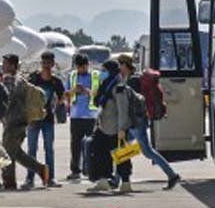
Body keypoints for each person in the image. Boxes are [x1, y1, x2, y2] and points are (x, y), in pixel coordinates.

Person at [118, 55, 180, 190]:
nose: (119, 68)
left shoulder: (132, 81)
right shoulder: (134, 78)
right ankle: (117, 179)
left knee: (145, 151)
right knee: (131, 148)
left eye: (120, 65)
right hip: (138, 121)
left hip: (136, 121)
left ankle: (172, 175)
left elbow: (132, 103)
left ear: (124, 65)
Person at [0, 54, 49, 190]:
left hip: (13, 121)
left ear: (12, 66)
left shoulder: (9, 79)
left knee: (7, 153)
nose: (3, 66)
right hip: (20, 120)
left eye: (5, 64)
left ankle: (9, 182)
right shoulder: (21, 79)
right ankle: (40, 169)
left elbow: (6, 97)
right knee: (15, 152)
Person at [87, 60, 132, 194]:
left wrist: (122, 128)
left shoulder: (118, 87)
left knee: (121, 156)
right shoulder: (105, 86)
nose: (102, 73)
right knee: (98, 152)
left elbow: (123, 109)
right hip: (104, 127)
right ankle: (103, 180)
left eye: (104, 70)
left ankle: (125, 183)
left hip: (116, 128)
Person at [23, 51, 65, 190]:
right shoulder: (34, 79)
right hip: (34, 119)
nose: (46, 66)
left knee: (49, 149)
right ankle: (30, 179)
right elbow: (26, 95)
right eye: (44, 63)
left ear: (53, 64)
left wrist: (55, 106)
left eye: (49, 63)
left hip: (48, 119)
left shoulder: (56, 82)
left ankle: (50, 177)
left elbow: (61, 97)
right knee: (31, 150)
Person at [64, 54, 100, 181]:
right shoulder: (72, 76)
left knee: (91, 145)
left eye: (84, 67)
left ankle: (90, 170)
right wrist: (74, 90)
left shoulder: (95, 76)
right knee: (75, 145)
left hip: (91, 116)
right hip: (76, 115)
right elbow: (66, 94)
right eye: (79, 67)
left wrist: (87, 91)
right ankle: (75, 170)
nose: (81, 70)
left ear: (88, 65)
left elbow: (99, 93)